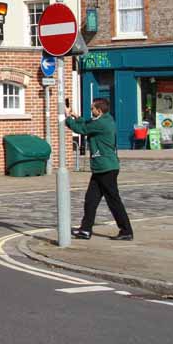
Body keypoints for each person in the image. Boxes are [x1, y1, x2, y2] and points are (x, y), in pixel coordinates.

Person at [66, 98, 134, 241]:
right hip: (101, 168)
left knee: (114, 201)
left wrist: (68, 118)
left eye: (92, 109)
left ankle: (126, 231)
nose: (91, 111)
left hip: (106, 168)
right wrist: (76, 116)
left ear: (99, 110)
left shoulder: (102, 123)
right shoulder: (105, 120)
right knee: (91, 200)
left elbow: (82, 129)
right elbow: (89, 124)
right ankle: (85, 230)